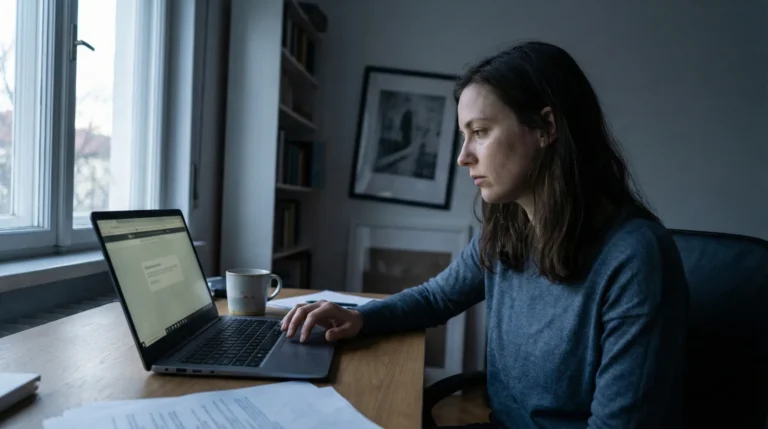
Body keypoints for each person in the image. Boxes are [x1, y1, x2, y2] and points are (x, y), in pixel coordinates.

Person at [280, 41, 689, 429]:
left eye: (480, 132)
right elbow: (436, 298)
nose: (463, 157)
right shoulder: (510, 228)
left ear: (546, 127)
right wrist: (360, 319)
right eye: (465, 135)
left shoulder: (635, 258)